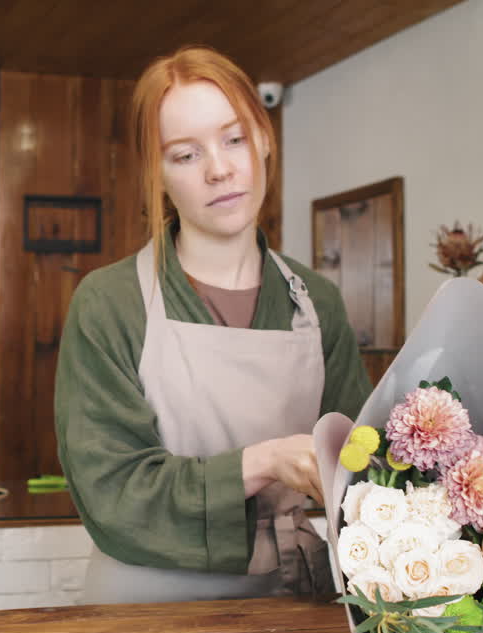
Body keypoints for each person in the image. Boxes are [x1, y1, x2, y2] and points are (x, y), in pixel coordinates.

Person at [54, 46, 371, 604]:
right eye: (184, 154)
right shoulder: (109, 303)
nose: (219, 169)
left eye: (234, 138)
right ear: (157, 174)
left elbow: (362, 461)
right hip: (143, 608)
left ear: (265, 139)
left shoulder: (316, 302)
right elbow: (112, 492)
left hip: (289, 607)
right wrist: (266, 460)